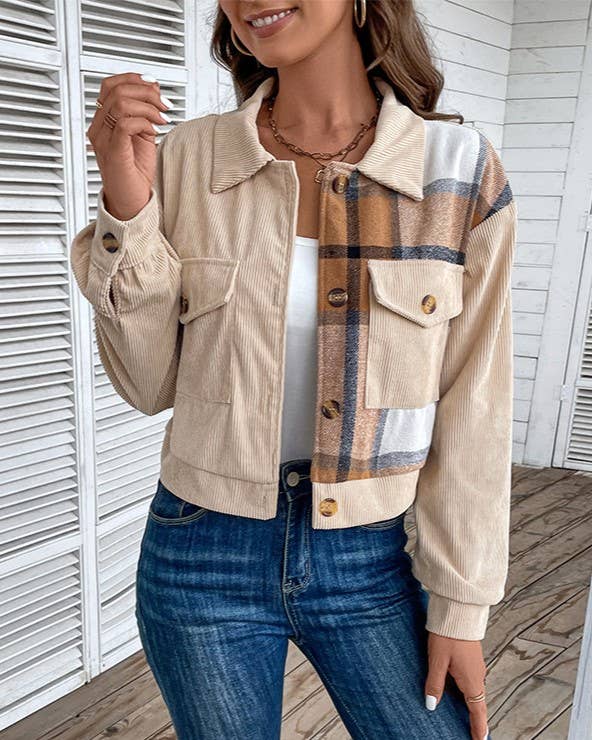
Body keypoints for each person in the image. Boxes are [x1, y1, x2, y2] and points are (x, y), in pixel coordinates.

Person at [70, 1, 516, 738]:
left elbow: (477, 407)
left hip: (375, 556)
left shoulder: (457, 173)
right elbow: (147, 385)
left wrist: (461, 607)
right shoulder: (188, 158)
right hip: (201, 552)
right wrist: (126, 202)